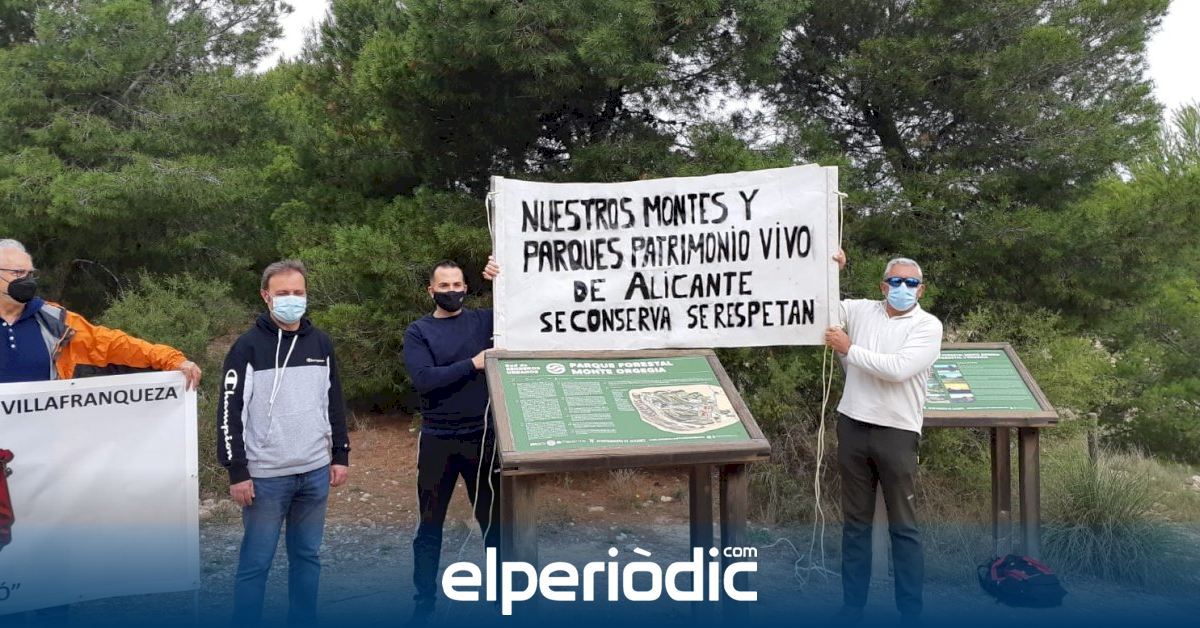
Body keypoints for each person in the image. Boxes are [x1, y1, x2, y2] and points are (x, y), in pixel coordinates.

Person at [217, 259, 351, 626]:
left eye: (298, 292)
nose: (292, 299)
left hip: (314, 471)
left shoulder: (321, 343)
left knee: (307, 557)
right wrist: (237, 470)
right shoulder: (246, 347)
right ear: (266, 296)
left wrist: (340, 453)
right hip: (265, 477)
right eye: (283, 293)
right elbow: (229, 410)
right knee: (255, 564)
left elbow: (334, 401)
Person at [824, 250, 943, 625]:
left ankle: (910, 611)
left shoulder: (928, 326)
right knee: (855, 525)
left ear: (921, 290)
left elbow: (898, 369)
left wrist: (850, 349)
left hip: (898, 431)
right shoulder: (861, 310)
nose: (902, 287)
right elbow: (822, 310)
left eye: (910, 283)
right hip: (853, 424)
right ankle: (852, 607)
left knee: (903, 526)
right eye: (895, 281)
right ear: (883, 285)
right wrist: (831, 271)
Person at [402, 257, 502, 621]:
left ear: (466, 287)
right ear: (431, 290)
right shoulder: (419, 332)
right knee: (430, 526)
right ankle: (423, 603)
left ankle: (502, 598)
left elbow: (522, 306)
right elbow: (424, 379)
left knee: (494, 525)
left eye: (457, 285)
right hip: (438, 441)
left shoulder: (484, 321)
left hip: (483, 439)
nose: (452, 291)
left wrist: (500, 275)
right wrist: (472, 364)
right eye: (444, 286)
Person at [0, 238, 202, 387]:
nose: (26, 280)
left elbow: (110, 344)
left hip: (43, 429)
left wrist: (171, 359)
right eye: (17, 273)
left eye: (30, 274)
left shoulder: (54, 321)